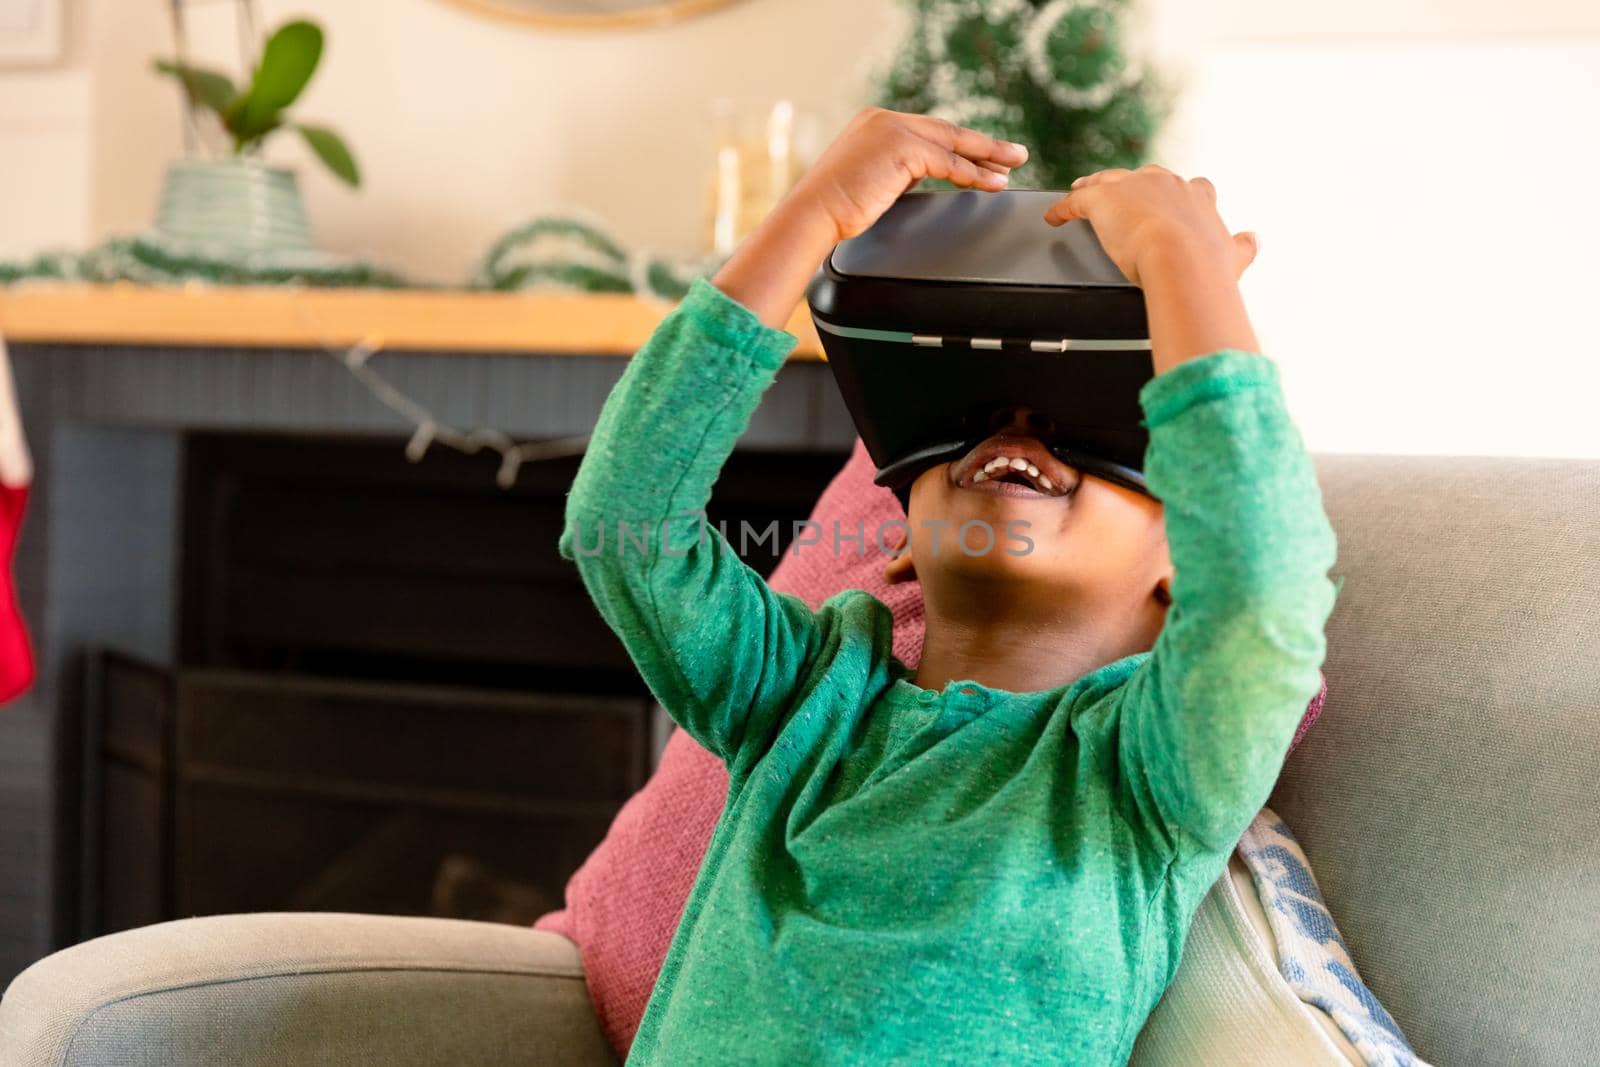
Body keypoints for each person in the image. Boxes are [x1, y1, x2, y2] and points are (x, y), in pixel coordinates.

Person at [558, 107, 1338, 1064]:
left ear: (1185, 576)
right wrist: (813, 220)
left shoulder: (1144, 774)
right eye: (964, 430)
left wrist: (1181, 258)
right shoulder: (801, 704)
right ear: (901, 552)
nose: (1018, 431)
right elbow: (626, 523)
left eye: (1099, 447)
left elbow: (1265, 586)